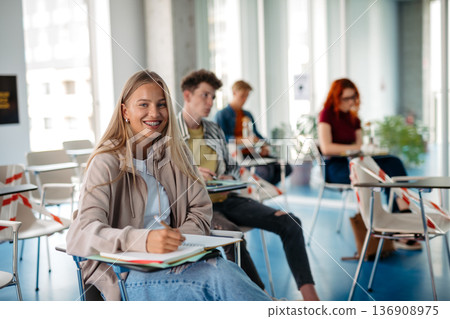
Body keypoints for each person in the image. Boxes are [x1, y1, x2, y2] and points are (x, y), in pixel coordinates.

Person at [65, 70, 271, 301]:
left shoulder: (175, 153)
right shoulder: (106, 161)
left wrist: (174, 239)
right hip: (126, 274)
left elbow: (200, 211)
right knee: (218, 279)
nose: (154, 113)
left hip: (175, 260)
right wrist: (143, 240)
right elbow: (81, 233)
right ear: (125, 112)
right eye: (143, 104)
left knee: (224, 270)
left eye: (161, 105)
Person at [178, 69, 320, 301]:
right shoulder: (171, 133)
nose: (210, 102)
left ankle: (312, 300)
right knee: (233, 236)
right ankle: (263, 300)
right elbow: (166, 178)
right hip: (199, 208)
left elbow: (232, 167)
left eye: (213, 97)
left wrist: (229, 177)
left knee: (290, 222)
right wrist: (193, 175)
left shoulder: (213, 129)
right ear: (187, 95)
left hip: (227, 199)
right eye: (205, 95)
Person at [318, 78, 420, 250]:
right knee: (385, 171)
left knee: (393, 162)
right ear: (336, 98)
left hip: (358, 164)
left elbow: (360, 148)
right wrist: (357, 148)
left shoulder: (353, 118)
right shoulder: (326, 114)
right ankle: (402, 220)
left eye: (353, 97)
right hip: (338, 168)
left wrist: (364, 148)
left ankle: (400, 218)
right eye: (346, 98)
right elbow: (326, 148)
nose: (351, 102)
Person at [214, 80, 292, 185]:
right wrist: (243, 140)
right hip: (238, 156)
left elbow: (256, 134)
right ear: (234, 93)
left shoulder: (247, 114)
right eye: (242, 96)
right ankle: (262, 191)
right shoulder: (222, 115)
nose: (245, 99)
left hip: (254, 153)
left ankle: (265, 190)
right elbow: (222, 139)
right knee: (266, 171)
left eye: (247, 96)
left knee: (286, 168)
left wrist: (264, 145)